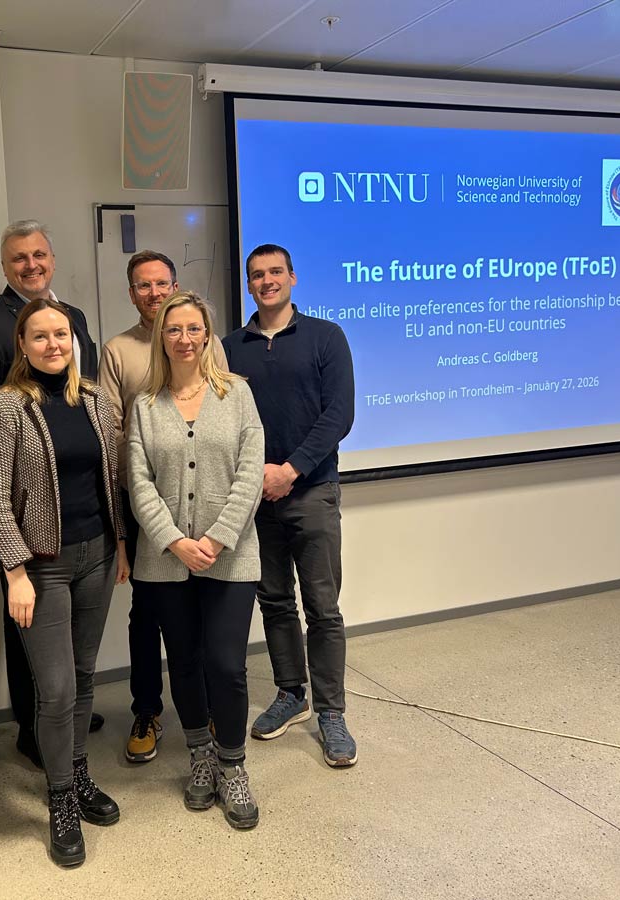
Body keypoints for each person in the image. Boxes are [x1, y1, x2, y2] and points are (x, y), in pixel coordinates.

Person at [0, 297, 128, 867]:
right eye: (39, 336)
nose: (53, 345)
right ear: (22, 345)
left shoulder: (91, 399)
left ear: (75, 339)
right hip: (41, 566)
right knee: (58, 689)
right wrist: (14, 571)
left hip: (96, 555)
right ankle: (60, 798)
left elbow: (110, 479)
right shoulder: (7, 406)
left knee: (85, 676)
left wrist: (119, 545)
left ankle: (80, 774)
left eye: (61, 334)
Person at [0, 220, 103, 767]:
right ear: (4, 266)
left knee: (72, 658)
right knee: (30, 634)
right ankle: (33, 730)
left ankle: (63, 727)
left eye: (39, 254)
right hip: (26, 515)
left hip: (85, 523)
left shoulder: (76, 318)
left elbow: (79, 390)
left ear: (53, 258)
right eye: (19, 258)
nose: (31, 265)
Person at [127, 291, 264, 829]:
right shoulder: (144, 406)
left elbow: (251, 473)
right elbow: (137, 484)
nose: (184, 338)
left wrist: (217, 538)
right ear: (161, 336)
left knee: (226, 665)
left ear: (207, 334)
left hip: (230, 558)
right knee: (181, 662)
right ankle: (201, 757)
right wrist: (175, 541)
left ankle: (232, 765)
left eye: (194, 328)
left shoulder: (238, 396)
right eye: (173, 329)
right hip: (165, 562)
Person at [222, 243, 358, 768]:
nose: (267, 281)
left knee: (322, 607)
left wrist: (290, 470)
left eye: (276, 272)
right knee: (274, 601)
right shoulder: (231, 348)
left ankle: (331, 712)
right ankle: (290, 694)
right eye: (257, 275)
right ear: (249, 284)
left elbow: (339, 414)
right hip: (255, 498)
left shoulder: (326, 337)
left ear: (293, 278)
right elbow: (226, 418)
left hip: (312, 491)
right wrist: (257, 476)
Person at [99, 250, 228, 763]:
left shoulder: (206, 340)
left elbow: (224, 409)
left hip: (203, 497)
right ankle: (148, 709)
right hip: (145, 499)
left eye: (161, 283)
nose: (153, 293)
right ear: (130, 293)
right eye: (142, 285)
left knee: (200, 605)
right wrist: (129, 522)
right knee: (148, 612)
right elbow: (111, 430)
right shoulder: (117, 350)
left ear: (175, 285)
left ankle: (207, 707)